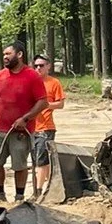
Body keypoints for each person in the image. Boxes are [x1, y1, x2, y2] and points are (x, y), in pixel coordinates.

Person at [0, 39, 48, 203]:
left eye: (8, 54)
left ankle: (19, 196)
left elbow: (43, 102)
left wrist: (25, 118)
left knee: (19, 165)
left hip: (20, 131)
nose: (5, 57)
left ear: (19, 55)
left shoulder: (32, 76)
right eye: (4, 54)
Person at [31, 54, 65, 195]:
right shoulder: (30, 82)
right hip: (30, 128)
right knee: (35, 162)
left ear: (48, 66)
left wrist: (46, 105)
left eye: (41, 65)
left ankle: (38, 191)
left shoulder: (54, 83)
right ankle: (44, 188)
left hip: (46, 128)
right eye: (36, 65)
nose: (38, 68)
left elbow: (61, 104)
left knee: (42, 161)